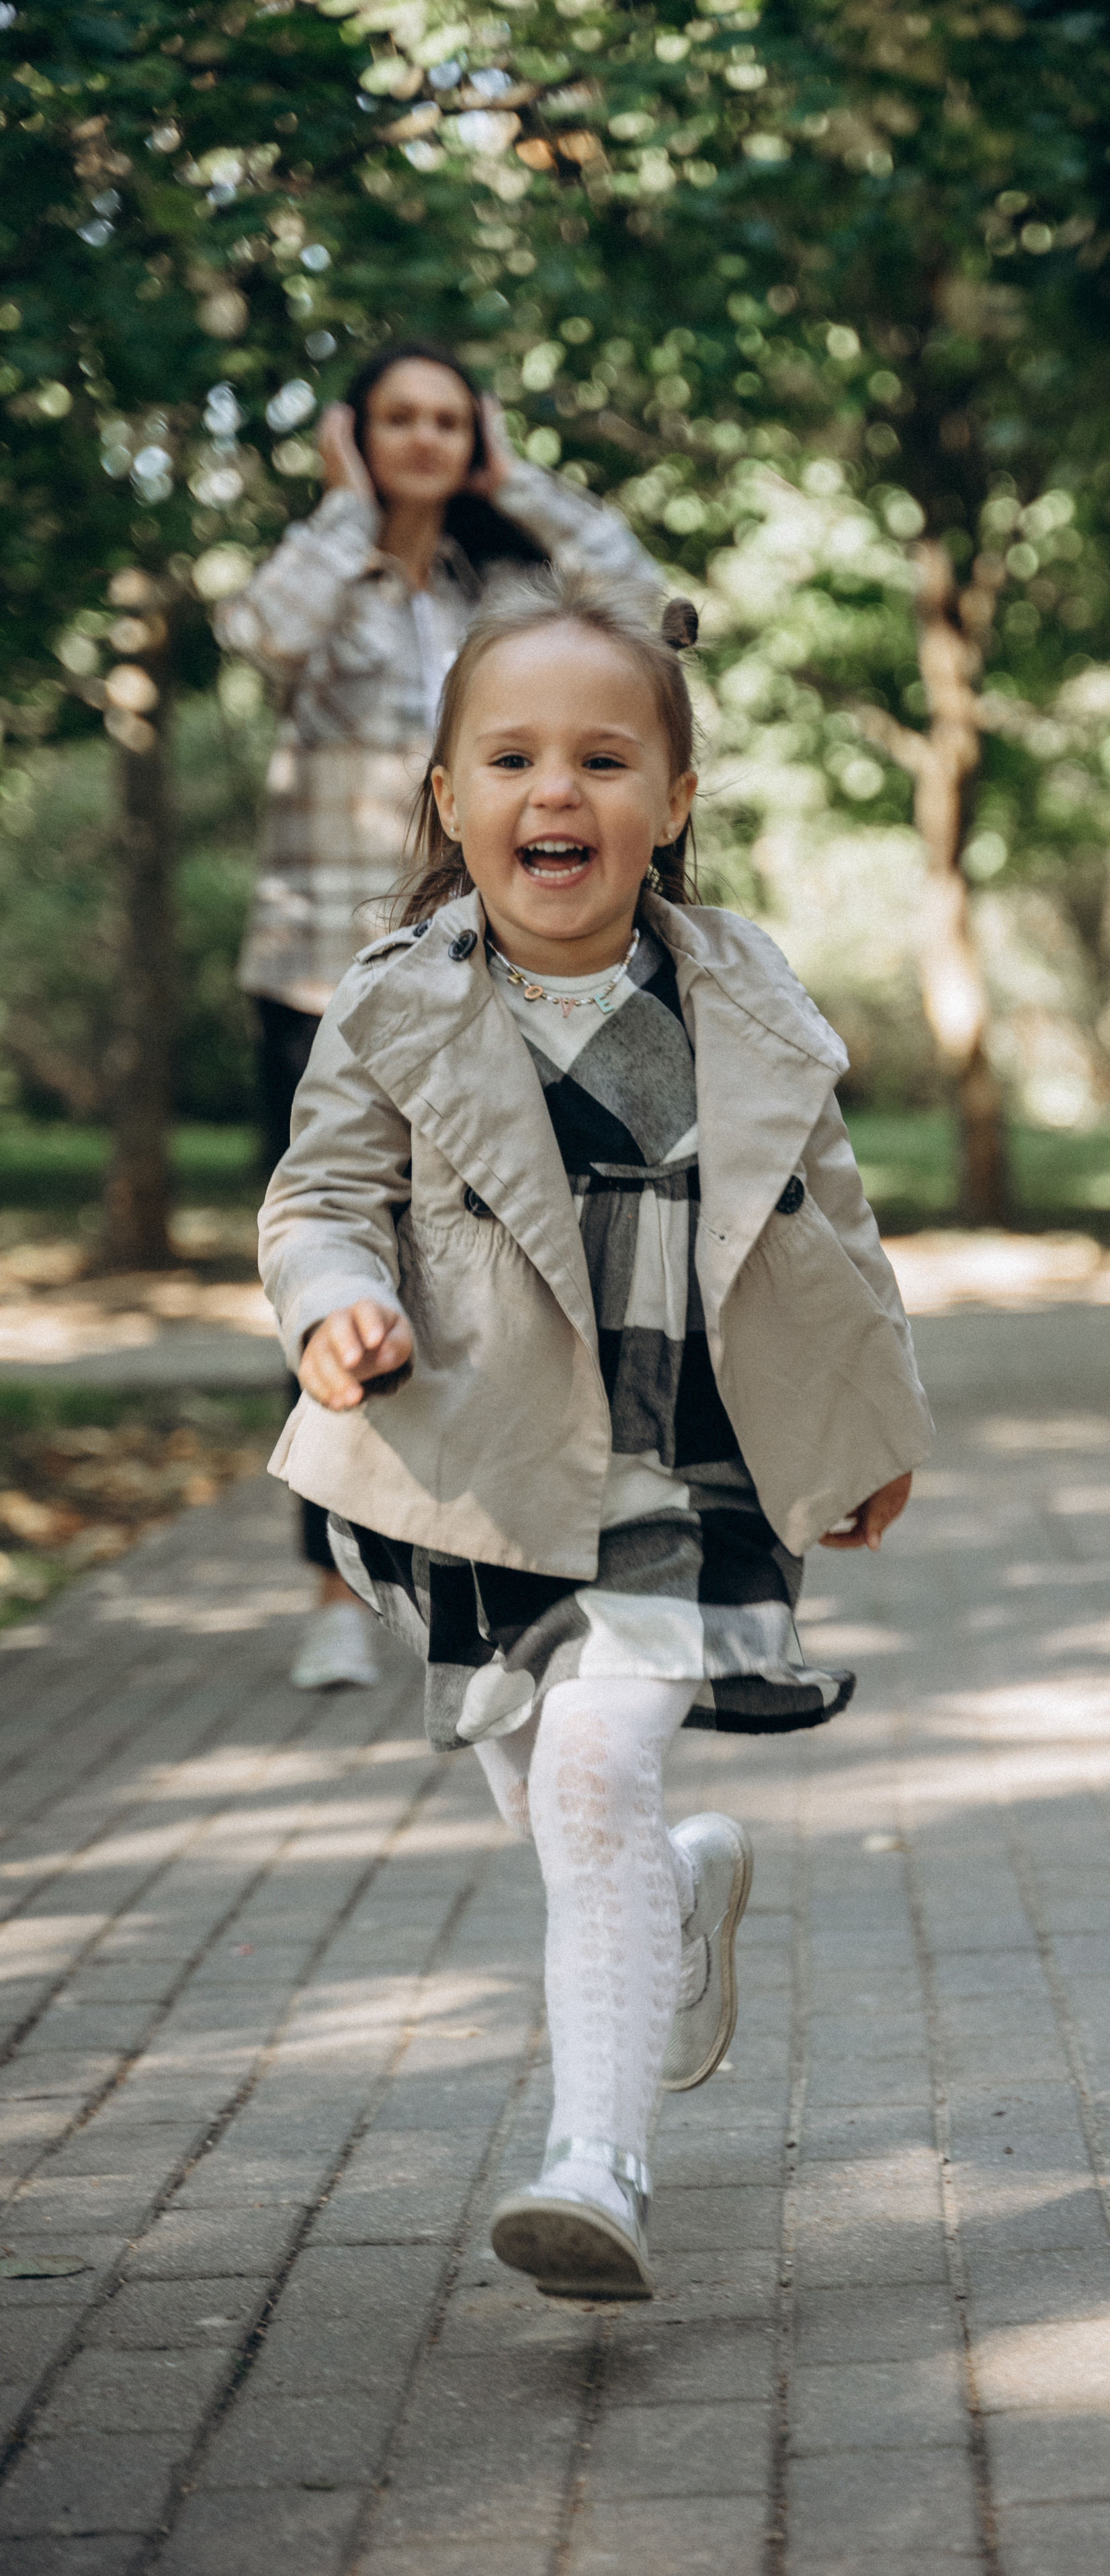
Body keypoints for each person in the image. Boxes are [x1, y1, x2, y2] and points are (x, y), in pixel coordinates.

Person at [255, 569, 933, 2300]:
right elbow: (318, 1199)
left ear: (672, 803)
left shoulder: (741, 998)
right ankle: (679, 1892)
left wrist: (873, 1420)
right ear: (449, 800)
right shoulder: (394, 1003)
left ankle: (596, 2163)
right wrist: (334, 1303)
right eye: (511, 759)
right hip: (482, 1465)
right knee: (563, 1807)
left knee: (588, 1771)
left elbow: (834, 1224)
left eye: (604, 759)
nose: (554, 790)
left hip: (690, 1457)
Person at [218, 339, 655, 1690]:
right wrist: (348, 507)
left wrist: (521, 483)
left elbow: (643, 610)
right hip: (321, 969)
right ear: (356, 436)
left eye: (449, 420)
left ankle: (493, 1558)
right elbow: (258, 633)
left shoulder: (503, 591)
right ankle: (332, 1588)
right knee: (333, 1262)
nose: (425, 438)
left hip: (482, 969)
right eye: (398, 419)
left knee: (500, 1269)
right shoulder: (327, 580)